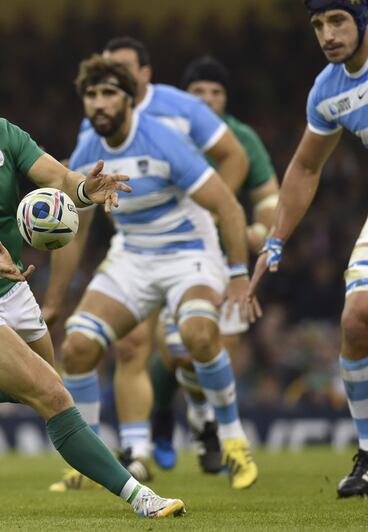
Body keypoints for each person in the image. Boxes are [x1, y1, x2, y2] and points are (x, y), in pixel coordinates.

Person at [0, 64, 185, 519]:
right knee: (53, 396)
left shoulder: (3, 135)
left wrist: (85, 189)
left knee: (41, 385)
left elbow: (57, 178)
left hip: (11, 288)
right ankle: (141, 497)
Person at [46, 57, 259, 491]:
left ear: (129, 99)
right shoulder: (88, 149)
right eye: (91, 95)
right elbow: (76, 230)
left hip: (188, 250)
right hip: (134, 255)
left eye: (109, 93)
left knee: (198, 335)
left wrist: (238, 275)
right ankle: (84, 463)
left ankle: (234, 440)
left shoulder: (163, 139)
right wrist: (53, 301)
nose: (99, 103)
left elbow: (227, 206)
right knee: (78, 347)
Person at [249, 0, 368, 499]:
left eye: (338, 20)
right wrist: (275, 239)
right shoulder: (328, 89)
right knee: (355, 319)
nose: (327, 34)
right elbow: (305, 167)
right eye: (319, 24)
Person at [146, 55, 281, 472]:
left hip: (226, 255)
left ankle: (201, 420)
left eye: (215, 92)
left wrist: (260, 229)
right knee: (177, 350)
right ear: (184, 97)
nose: (207, 99)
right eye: (198, 91)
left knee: (215, 349)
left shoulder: (241, 139)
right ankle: (172, 416)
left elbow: (269, 196)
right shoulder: (164, 132)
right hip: (172, 251)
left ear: (226, 98)